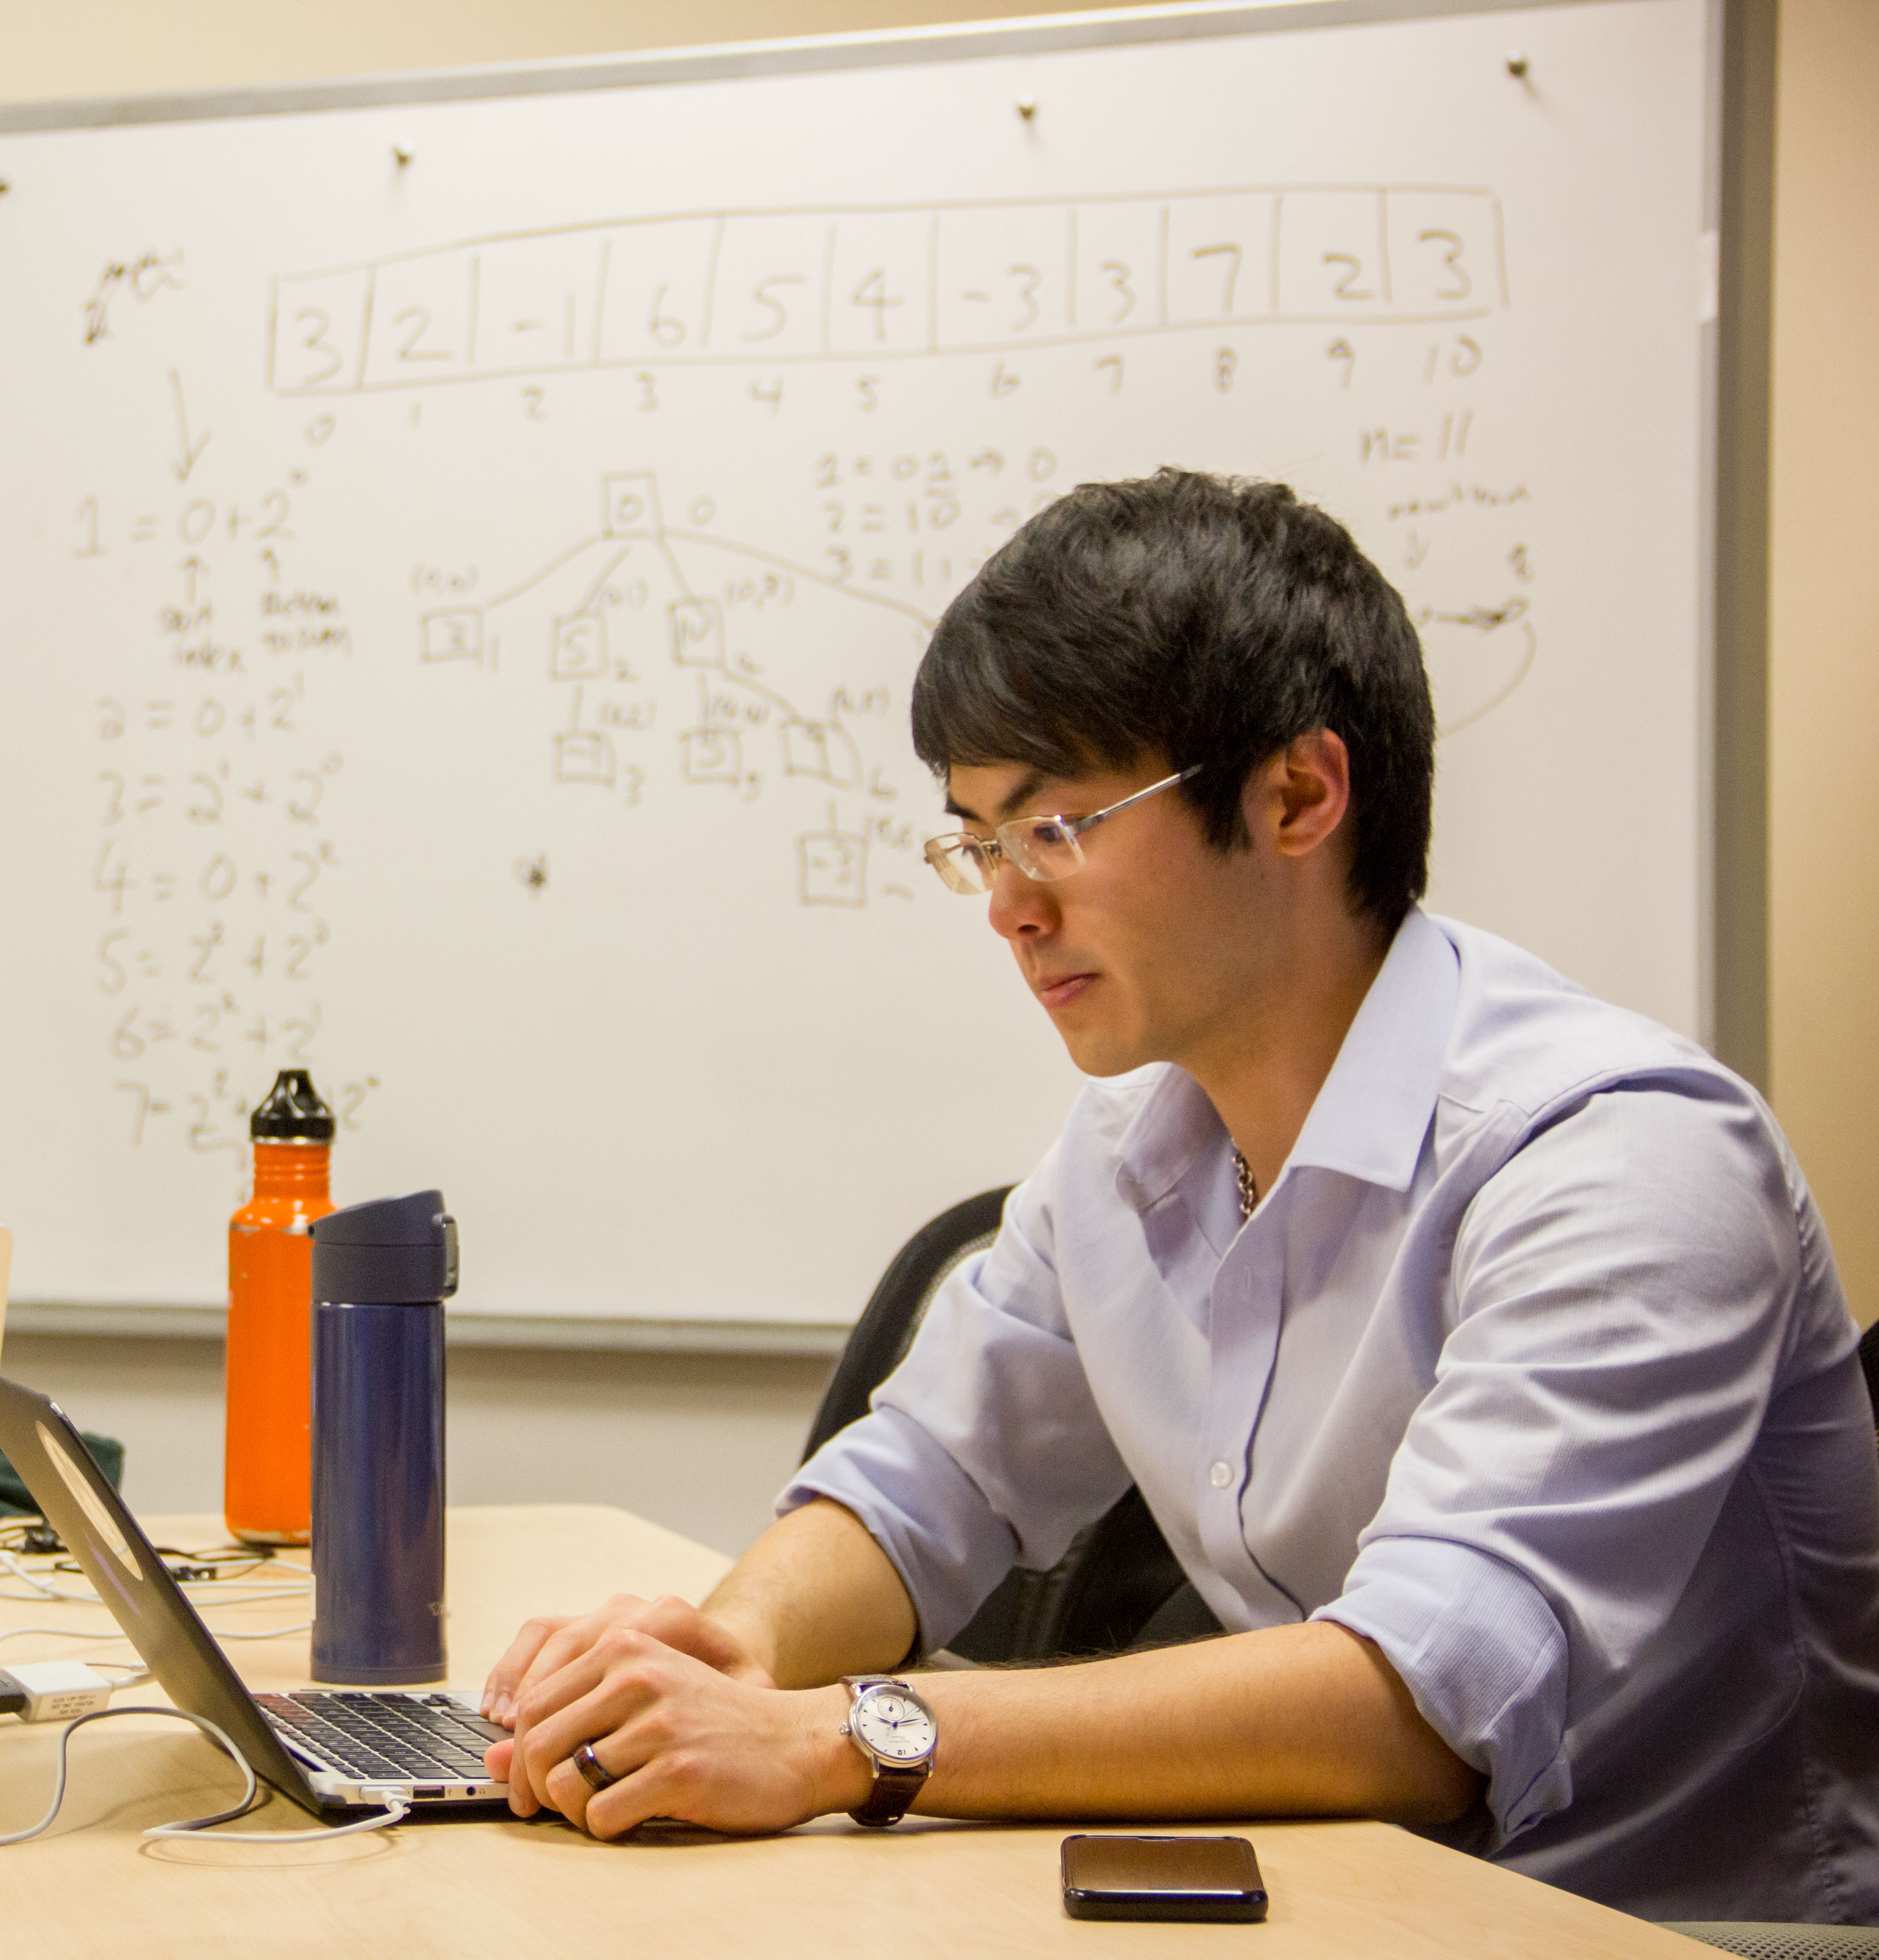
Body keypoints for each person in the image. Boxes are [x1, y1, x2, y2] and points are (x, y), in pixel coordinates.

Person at [479, 470, 1879, 1923]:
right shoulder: (1133, 1147)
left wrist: (842, 1739)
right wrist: (724, 1662)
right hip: (1329, 1899)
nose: (1009, 906)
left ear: (1297, 794)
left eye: (1058, 827)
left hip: (1632, 1929)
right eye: (977, 841)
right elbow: (923, 1487)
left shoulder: (1618, 1160)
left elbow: (1416, 1706)